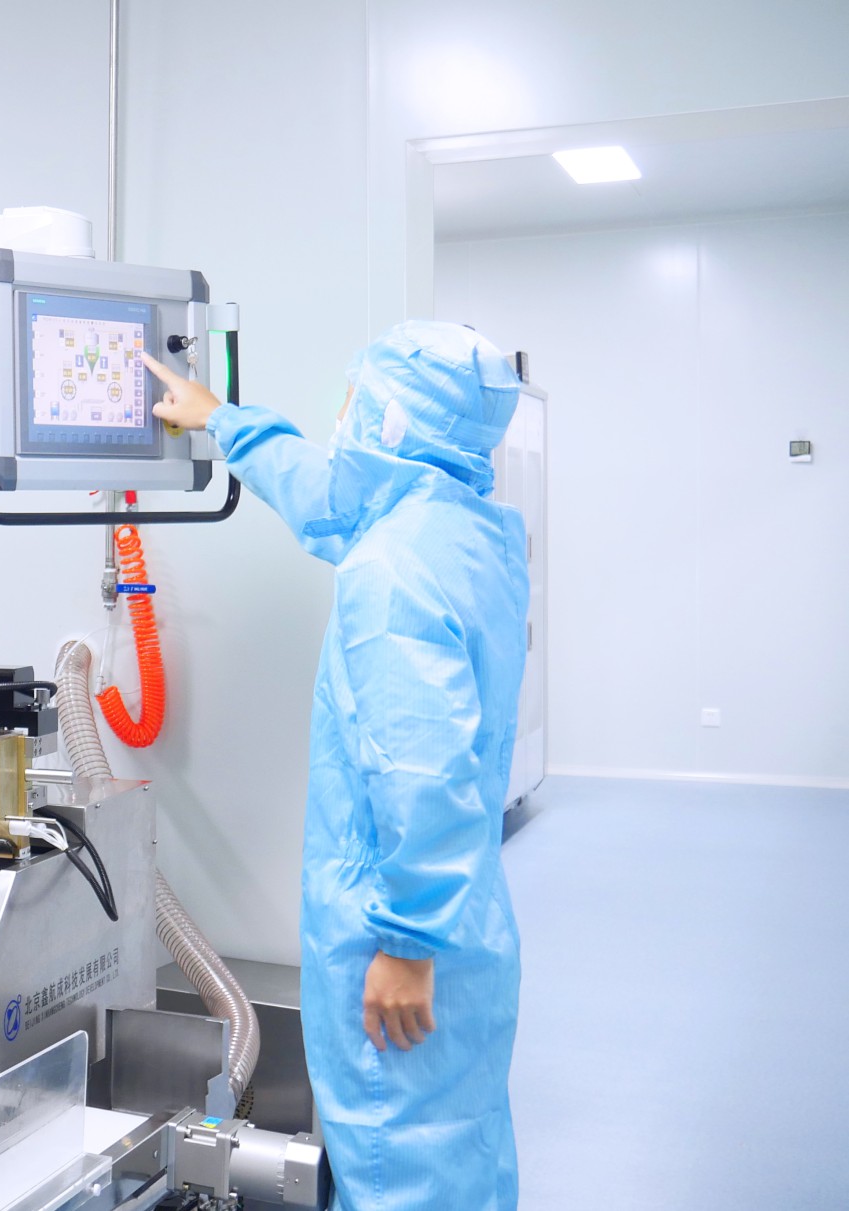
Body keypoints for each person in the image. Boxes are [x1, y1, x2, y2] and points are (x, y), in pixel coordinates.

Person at [145, 322, 528, 1211]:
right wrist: (221, 419)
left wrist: (406, 942)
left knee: (404, 1173)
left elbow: (422, 769)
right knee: (463, 1153)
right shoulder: (461, 529)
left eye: (355, 397)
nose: (341, 413)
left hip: (399, 936)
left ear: (389, 420)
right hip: (465, 920)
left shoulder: (390, 572)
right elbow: (325, 496)